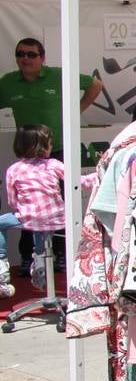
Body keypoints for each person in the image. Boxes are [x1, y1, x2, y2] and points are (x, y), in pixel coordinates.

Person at [1, 38, 104, 272]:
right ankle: (30, 257)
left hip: (58, 149)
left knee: (60, 203)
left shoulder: (58, 75)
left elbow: (96, 84)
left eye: (31, 54)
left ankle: (63, 255)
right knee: (29, 206)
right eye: (20, 54)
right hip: (27, 155)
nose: (25, 58)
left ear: (42, 57)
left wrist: (75, 111)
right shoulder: (8, 82)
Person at [0, 124, 72, 295]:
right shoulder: (54, 164)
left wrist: (23, 209)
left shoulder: (14, 169)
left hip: (30, 217)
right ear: (42, 147)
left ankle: (2, 266)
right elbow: (77, 181)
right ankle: (40, 261)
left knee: (5, 223)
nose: (52, 147)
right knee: (42, 227)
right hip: (57, 217)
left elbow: (12, 200)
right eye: (50, 143)